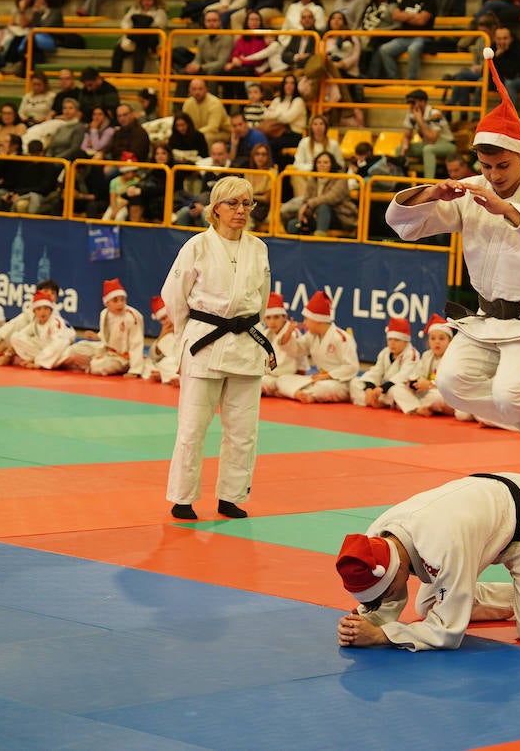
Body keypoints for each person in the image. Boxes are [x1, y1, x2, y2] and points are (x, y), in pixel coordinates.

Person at [385, 56, 520, 500]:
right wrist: (431, 192)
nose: (495, 177)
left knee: (513, 390)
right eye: (487, 167)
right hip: (486, 320)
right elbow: (407, 224)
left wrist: (512, 212)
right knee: (452, 385)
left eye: (503, 167)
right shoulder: (473, 190)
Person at [334, 473, 520, 651]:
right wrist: (368, 619)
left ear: (395, 571)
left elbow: (449, 633)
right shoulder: (374, 541)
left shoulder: (443, 544)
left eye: (385, 591)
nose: (386, 597)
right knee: (428, 605)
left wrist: (382, 635)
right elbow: (388, 590)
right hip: (485, 515)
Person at [162, 176, 274, 521]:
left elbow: (262, 299)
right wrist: (188, 332)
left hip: (245, 342)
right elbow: (174, 296)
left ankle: (231, 496)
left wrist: (250, 326)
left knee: (243, 431)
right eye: (233, 204)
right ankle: (183, 497)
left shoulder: (258, 248)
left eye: (247, 203)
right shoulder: (196, 246)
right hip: (204, 342)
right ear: (215, 209)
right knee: (193, 427)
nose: (241, 210)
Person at [272, 291, 360, 403]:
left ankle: (302, 393)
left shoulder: (341, 338)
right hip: (319, 379)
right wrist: (288, 334)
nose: (304, 323)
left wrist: (327, 376)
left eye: (306, 319)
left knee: (324, 388)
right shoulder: (311, 336)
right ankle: (300, 394)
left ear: (317, 320)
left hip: (340, 382)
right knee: (282, 379)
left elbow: (352, 367)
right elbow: (296, 350)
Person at [392, 315, 456, 416]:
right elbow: (418, 373)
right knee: (397, 388)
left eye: (441, 338)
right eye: (433, 338)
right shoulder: (427, 355)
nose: (437, 342)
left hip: (442, 394)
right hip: (425, 393)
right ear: (428, 341)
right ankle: (418, 408)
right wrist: (413, 382)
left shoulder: (453, 357)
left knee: (436, 397)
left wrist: (429, 384)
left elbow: (451, 383)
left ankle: (413, 406)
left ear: (450, 341)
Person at [142, 296, 180, 385]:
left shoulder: (185, 325)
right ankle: (172, 376)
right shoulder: (166, 334)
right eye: (163, 319)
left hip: (186, 362)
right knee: (163, 364)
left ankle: (171, 377)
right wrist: (162, 335)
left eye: (168, 316)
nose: (167, 321)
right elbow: (155, 356)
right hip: (173, 363)